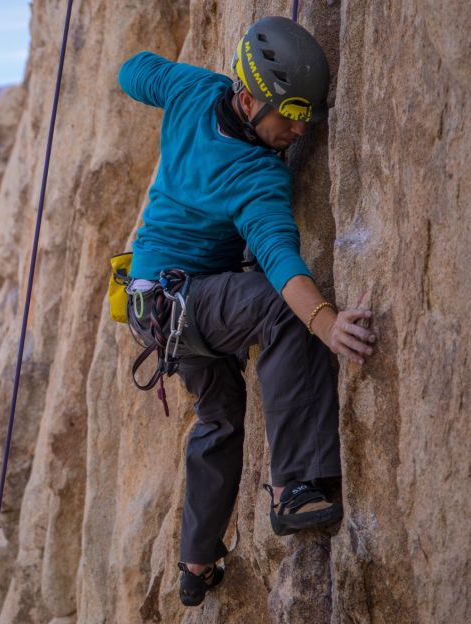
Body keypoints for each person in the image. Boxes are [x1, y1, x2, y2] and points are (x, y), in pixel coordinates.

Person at [117, 16, 378, 607]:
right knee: (280, 310)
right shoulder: (256, 176)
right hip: (186, 302)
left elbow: (133, 72)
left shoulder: (192, 90)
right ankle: (295, 486)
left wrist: (158, 78)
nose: (298, 127)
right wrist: (325, 322)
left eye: (306, 113)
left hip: (158, 303)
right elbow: (282, 263)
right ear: (247, 96)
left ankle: (196, 563)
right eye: (287, 112)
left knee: (219, 420)